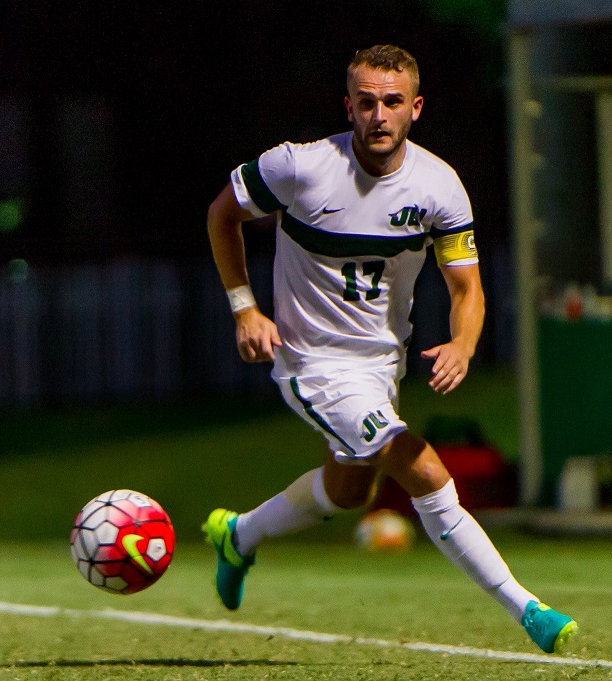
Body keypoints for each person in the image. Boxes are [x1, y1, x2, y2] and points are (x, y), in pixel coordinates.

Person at [203, 45, 577, 654]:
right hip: (311, 363)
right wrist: (244, 307)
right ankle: (527, 609)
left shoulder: (438, 186)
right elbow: (222, 214)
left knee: (352, 491)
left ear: (416, 108)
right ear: (348, 107)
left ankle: (239, 535)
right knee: (422, 466)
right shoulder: (297, 167)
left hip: (380, 364)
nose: (379, 115)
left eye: (393, 102)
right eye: (367, 102)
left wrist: (463, 341)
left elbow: (467, 286)